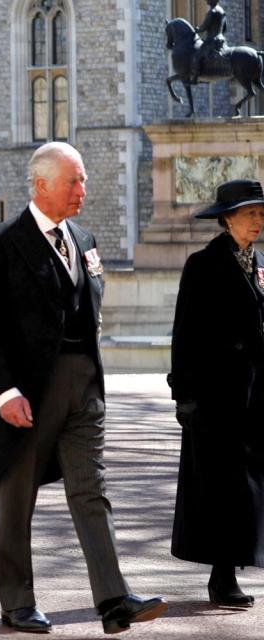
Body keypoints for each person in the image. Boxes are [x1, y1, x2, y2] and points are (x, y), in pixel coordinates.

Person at [0, 142, 167, 634]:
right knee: (18, 501)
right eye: (73, 181)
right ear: (41, 185)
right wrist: (4, 391)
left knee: (91, 491)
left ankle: (113, 598)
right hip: (30, 391)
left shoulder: (83, 237)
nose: (83, 190)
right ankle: (17, 601)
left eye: (83, 181)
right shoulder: (2, 240)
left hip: (85, 385)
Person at [169, 178, 264, 609]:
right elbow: (185, 334)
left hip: (253, 396)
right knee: (223, 488)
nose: (258, 221)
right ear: (227, 220)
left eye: (261, 213)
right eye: (250, 213)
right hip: (215, 397)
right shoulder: (203, 265)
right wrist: (184, 395)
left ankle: (234, 567)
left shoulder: (258, 262)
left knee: (248, 486)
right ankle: (222, 576)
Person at [191, 0, 227, 82]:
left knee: (197, 55)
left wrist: (196, 30)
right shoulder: (222, 11)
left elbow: (204, 27)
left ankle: (195, 77)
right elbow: (224, 28)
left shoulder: (212, 11)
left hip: (212, 40)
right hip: (221, 39)